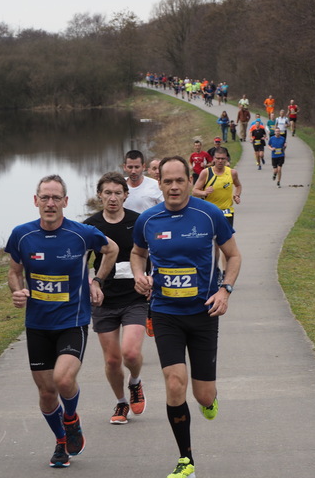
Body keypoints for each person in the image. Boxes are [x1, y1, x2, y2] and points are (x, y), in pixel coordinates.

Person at [131, 156, 241, 478]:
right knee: (174, 382)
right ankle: (186, 460)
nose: (175, 187)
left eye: (180, 180)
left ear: (190, 181)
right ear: (160, 183)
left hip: (204, 312)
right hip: (166, 313)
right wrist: (140, 275)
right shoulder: (148, 220)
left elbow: (233, 255)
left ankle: (210, 400)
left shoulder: (209, 215)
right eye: (168, 181)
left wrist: (225, 290)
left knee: (202, 393)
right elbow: (137, 253)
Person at [5, 174, 119, 468]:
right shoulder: (22, 235)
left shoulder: (82, 233)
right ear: (36, 201)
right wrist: (18, 291)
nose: (50, 203)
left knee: (63, 379)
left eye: (56, 198)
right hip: (38, 324)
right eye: (45, 198)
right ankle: (60, 442)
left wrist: (97, 281)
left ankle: (71, 418)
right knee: (46, 393)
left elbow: (112, 249)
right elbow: (14, 271)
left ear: (66, 202)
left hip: (73, 320)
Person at [84, 172, 148, 425]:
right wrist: (90, 285)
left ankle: (135, 382)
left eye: (117, 193)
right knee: (112, 360)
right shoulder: (90, 226)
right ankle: (121, 402)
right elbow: (81, 261)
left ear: (126, 195)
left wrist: (148, 278)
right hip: (104, 299)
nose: (112, 198)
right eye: (107, 193)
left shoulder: (139, 222)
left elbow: (149, 254)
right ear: (99, 195)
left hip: (134, 297)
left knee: (130, 354)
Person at [192, 148, 242, 280]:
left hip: (226, 213)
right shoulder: (206, 173)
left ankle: (226, 272)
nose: (220, 161)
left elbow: (238, 185)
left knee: (226, 244)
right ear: (213, 159)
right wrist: (204, 193)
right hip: (210, 213)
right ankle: (216, 271)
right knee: (214, 245)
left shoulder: (232, 173)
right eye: (218, 158)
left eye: (223, 159)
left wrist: (237, 195)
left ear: (227, 160)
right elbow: (194, 191)